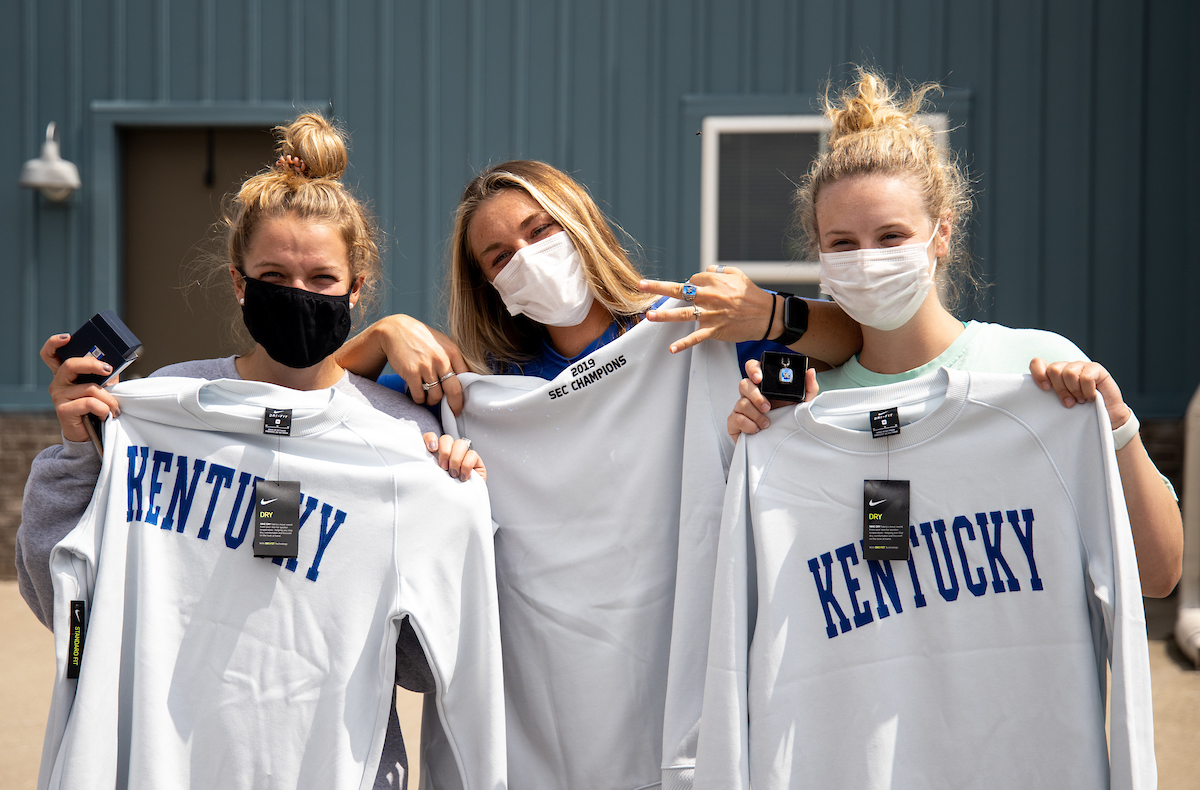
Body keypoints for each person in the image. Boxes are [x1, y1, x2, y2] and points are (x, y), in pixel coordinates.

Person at [334, 159, 862, 790]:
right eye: (499, 257)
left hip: (675, 716)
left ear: (579, 223)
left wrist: (769, 313)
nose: (526, 257)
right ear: (487, 287)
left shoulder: (691, 335)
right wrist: (385, 333)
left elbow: (850, 340)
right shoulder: (475, 387)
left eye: (539, 230)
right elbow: (321, 397)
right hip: (535, 730)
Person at [16, 113, 495, 789]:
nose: (297, 296)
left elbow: (423, 666)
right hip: (170, 764)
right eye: (273, 274)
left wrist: (441, 519)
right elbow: (61, 600)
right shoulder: (166, 407)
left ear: (357, 290)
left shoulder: (398, 439)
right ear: (239, 283)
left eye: (322, 279)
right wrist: (77, 454)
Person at [726, 68, 1182, 598]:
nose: (869, 260)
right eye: (843, 243)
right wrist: (758, 448)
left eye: (892, 236)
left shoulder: (1037, 369)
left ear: (941, 233)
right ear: (819, 254)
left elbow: (1159, 573)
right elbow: (856, 586)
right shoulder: (810, 412)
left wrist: (1117, 425)